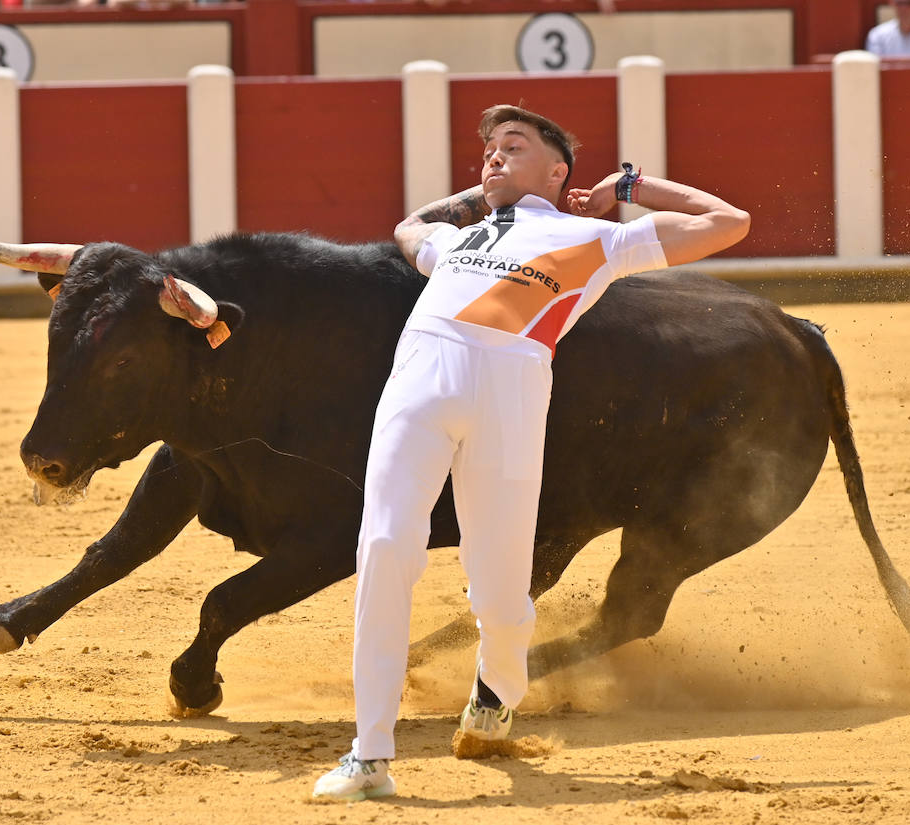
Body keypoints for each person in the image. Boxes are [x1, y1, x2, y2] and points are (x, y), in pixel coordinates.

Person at [310, 105, 750, 802]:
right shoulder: (460, 241)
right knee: (386, 545)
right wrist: (475, 198)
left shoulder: (595, 238)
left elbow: (728, 223)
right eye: (486, 148)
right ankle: (370, 753)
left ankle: (497, 688)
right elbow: (407, 228)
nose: (492, 156)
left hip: (509, 408)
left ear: (557, 170)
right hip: (417, 390)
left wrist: (630, 186)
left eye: (513, 146)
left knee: (499, 591)